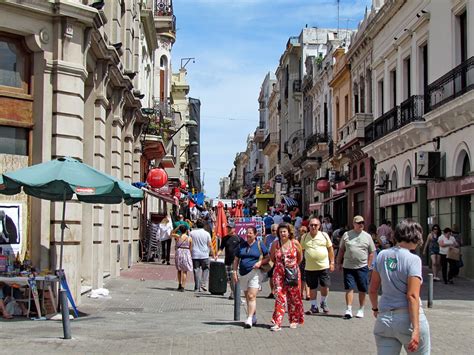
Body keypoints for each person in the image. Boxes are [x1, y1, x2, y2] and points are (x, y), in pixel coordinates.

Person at [369, 219, 431, 355]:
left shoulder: (382, 256)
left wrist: (375, 308)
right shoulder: (413, 260)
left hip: (385, 320)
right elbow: (412, 295)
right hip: (407, 319)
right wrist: (416, 328)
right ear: (416, 237)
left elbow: (373, 289)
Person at [337, 215, 376, 319]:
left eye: (362, 222)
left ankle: (361, 309)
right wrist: (338, 262)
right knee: (349, 287)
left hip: (362, 266)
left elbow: (372, 252)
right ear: (354, 224)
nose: (361, 225)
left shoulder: (367, 236)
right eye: (359, 223)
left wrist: (369, 265)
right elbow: (341, 250)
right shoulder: (347, 235)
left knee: (362, 288)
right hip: (348, 266)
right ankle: (348, 309)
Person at [233, 226, 270, 329]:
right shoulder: (242, 246)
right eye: (247, 233)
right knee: (247, 296)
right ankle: (253, 316)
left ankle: (248, 318)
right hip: (243, 274)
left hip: (255, 272)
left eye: (250, 233)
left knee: (251, 296)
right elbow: (236, 260)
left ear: (255, 234)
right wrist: (234, 272)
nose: (248, 235)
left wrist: (260, 262)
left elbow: (268, 257)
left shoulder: (259, 244)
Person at [270, 222, 304, 331]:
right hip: (279, 274)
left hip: (293, 273)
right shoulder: (276, 244)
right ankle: (277, 322)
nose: (282, 234)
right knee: (280, 297)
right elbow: (272, 258)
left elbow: (300, 258)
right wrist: (280, 266)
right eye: (280, 232)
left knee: (293, 297)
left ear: (289, 232)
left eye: (284, 231)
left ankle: (294, 320)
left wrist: (292, 266)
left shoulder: (295, 243)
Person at [301, 218, 335, 314]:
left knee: (325, 286)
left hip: (323, 266)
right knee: (312, 287)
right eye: (311, 225)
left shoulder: (324, 235)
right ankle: (313, 306)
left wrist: (332, 262)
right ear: (309, 226)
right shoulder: (304, 237)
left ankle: (323, 302)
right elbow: (301, 250)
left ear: (319, 226)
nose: (313, 227)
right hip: (309, 267)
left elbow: (330, 249)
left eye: (315, 225)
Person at [215, 221, 240, 299]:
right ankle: (233, 292)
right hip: (227, 261)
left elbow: (242, 249)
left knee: (234, 277)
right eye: (228, 228)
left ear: (234, 229)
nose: (228, 229)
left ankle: (235, 293)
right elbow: (221, 248)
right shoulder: (225, 238)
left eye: (230, 228)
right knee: (229, 279)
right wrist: (217, 255)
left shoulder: (238, 238)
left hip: (236, 261)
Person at [190, 219, 216, 292]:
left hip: (195, 254)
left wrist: (190, 252)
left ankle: (197, 287)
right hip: (205, 254)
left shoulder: (192, 233)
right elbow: (210, 245)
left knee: (196, 270)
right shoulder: (207, 233)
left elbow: (190, 244)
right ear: (204, 225)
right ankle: (203, 284)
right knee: (206, 269)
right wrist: (213, 254)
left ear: (196, 225)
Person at [172, 225, 193, 291]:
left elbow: (171, 234)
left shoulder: (178, 236)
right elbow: (190, 248)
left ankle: (179, 284)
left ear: (180, 230)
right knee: (185, 270)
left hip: (179, 251)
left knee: (179, 269)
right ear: (186, 230)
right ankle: (183, 286)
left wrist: (177, 228)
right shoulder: (189, 238)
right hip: (186, 252)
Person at [264, 224, 279, 299]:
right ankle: (272, 291)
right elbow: (264, 246)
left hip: (278, 259)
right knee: (271, 276)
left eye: (276, 230)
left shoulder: (280, 238)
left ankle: (277, 292)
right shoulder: (267, 237)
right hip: (270, 258)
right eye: (273, 230)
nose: (274, 232)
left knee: (277, 276)